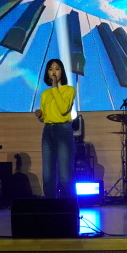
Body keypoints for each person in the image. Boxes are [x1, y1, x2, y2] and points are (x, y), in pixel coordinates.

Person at [33, 59, 75, 198]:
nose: (54, 72)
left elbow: (63, 109)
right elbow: (45, 117)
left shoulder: (69, 90)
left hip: (63, 130)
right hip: (48, 130)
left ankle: (69, 207)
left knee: (65, 176)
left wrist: (55, 88)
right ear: (47, 73)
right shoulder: (45, 94)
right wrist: (41, 115)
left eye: (57, 69)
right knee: (48, 176)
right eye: (51, 69)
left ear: (62, 72)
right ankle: (50, 206)